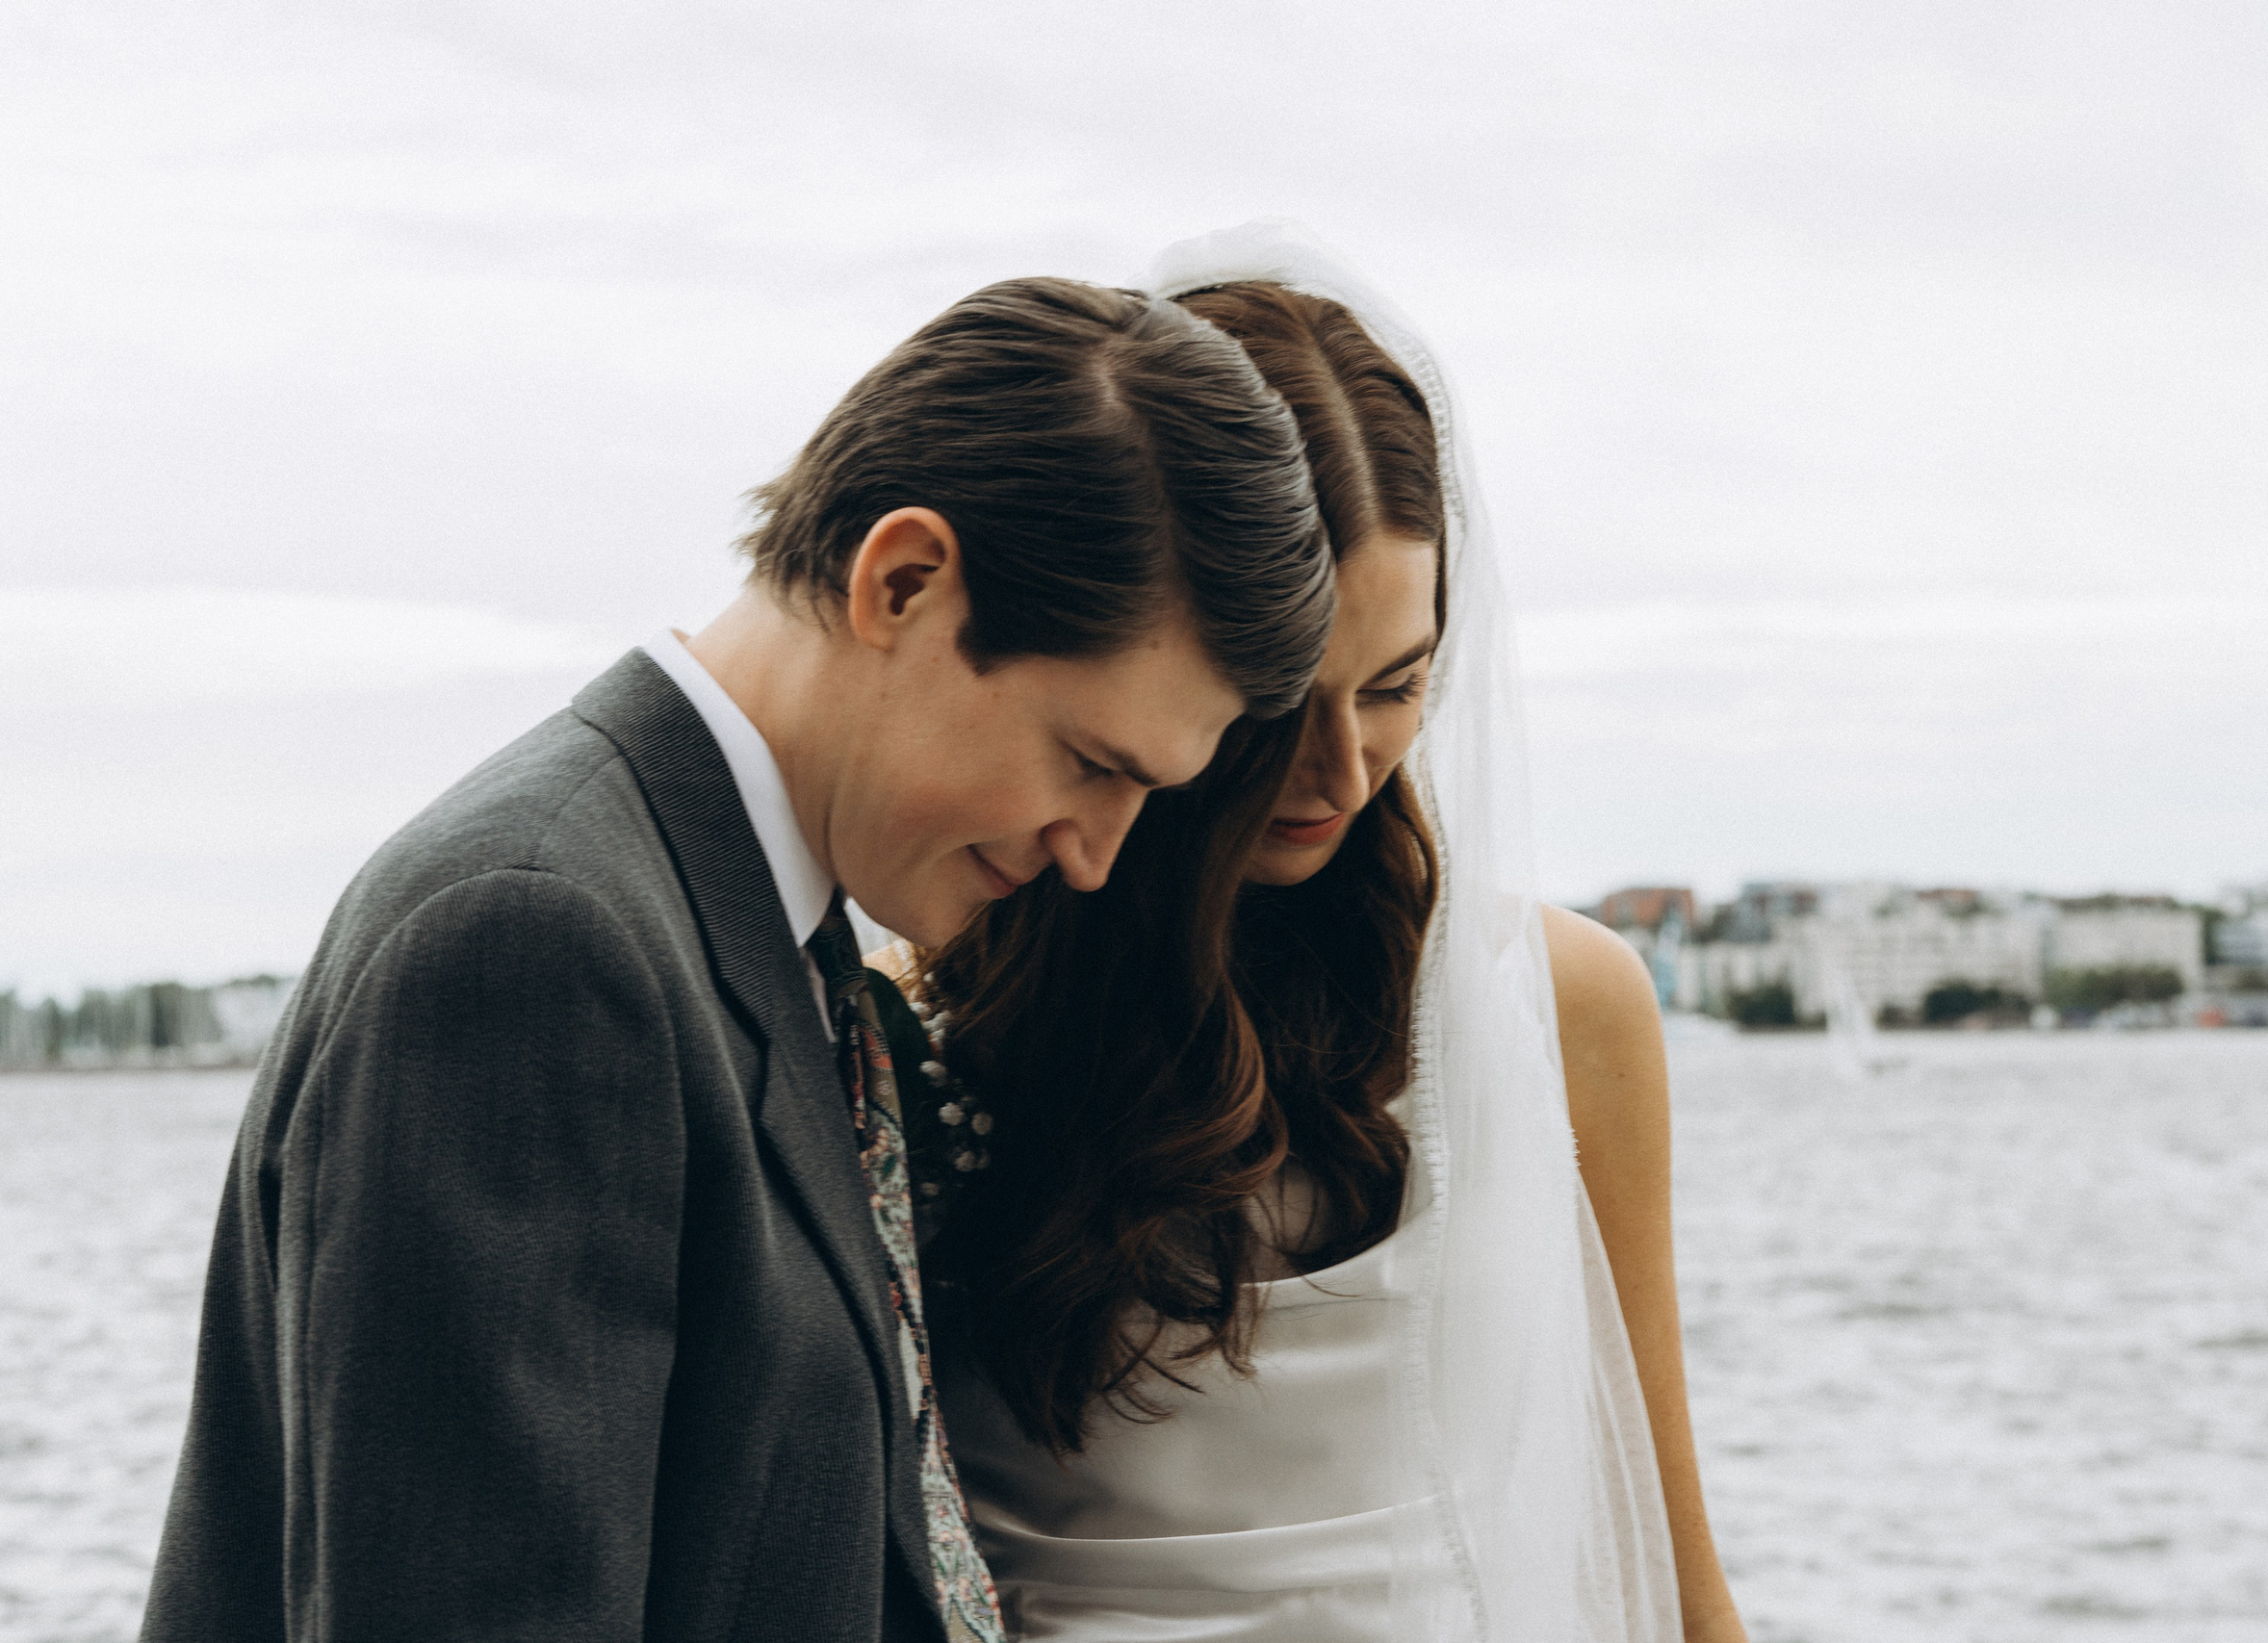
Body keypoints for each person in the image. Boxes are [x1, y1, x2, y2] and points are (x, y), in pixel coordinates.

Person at [140, 277, 1335, 1643]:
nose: (1097, 856)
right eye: (1090, 763)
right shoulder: (536, 946)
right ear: (904, 582)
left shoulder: (752, 932)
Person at [900, 225, 1749, 1641]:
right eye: (1288, 698)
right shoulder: (923, 1030)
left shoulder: (1562, 1003)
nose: (1347, 771)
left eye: (1397, 687)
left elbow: (1664, 1554)